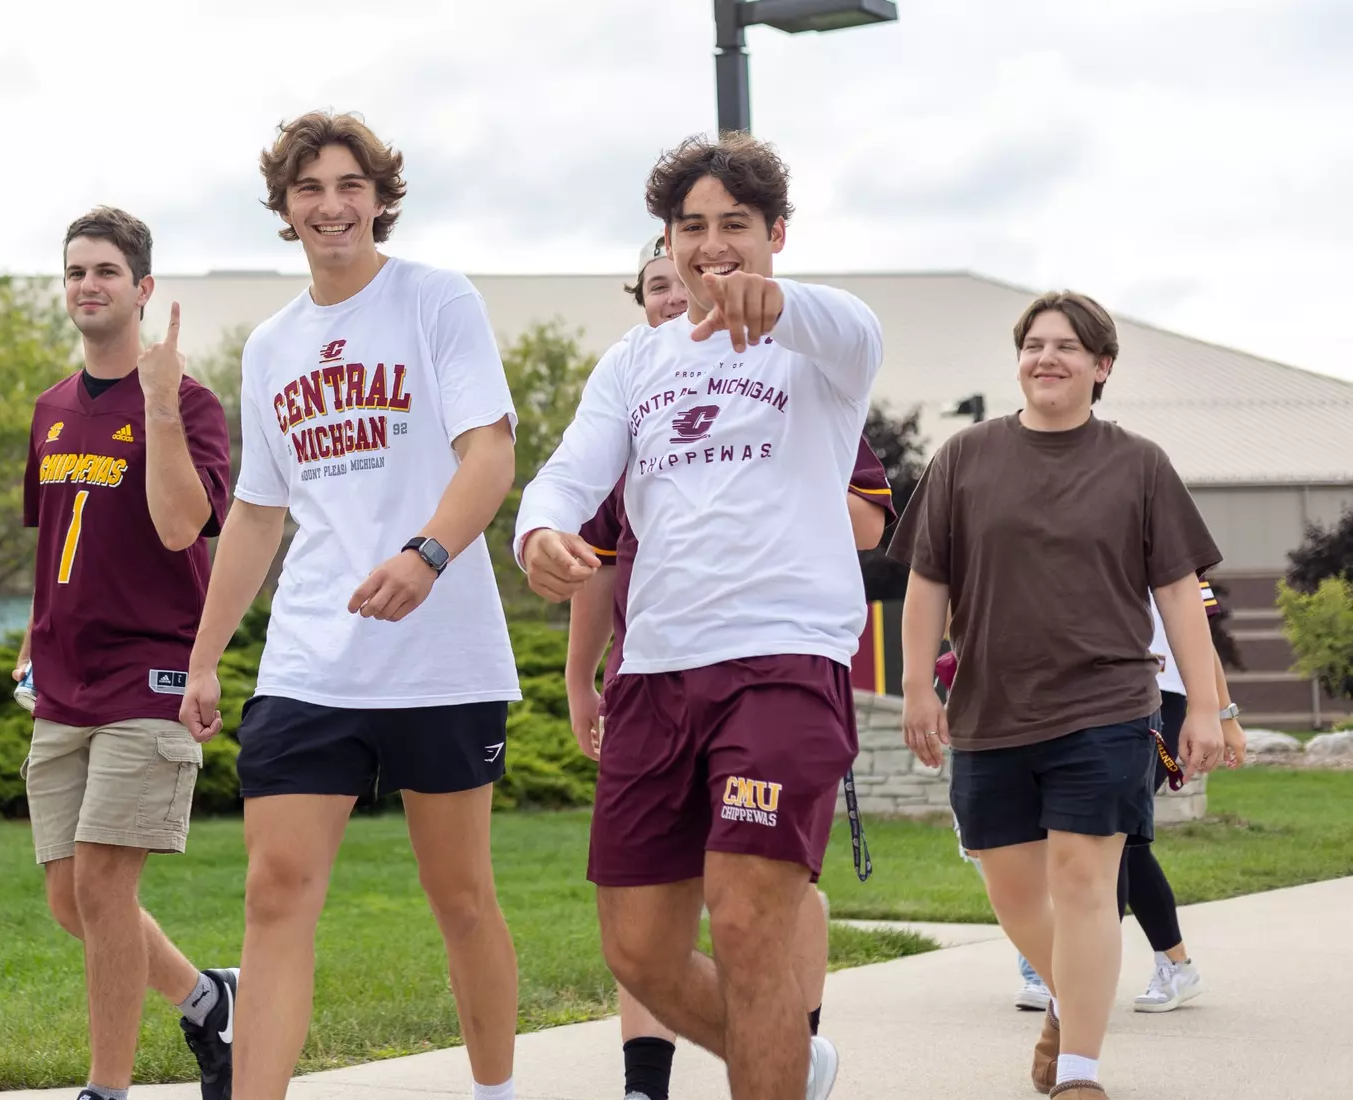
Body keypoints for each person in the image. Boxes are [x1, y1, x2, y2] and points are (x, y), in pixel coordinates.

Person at [517, 131, 883, 1100]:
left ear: (777, 234)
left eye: (736, 226)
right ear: (667, 242)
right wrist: (541, 531)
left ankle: (773, 1072)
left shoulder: (824, 346)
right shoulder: (635, 361)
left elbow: (850, 327)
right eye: (693, 228)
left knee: (750, 916)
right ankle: (789, 1067)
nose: (713, 245)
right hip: (655, 674)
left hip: (781, 664)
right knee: (640, 950)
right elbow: (569, 471)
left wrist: (780, 305)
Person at [177, 112, 522, 1100]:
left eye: (349, 185)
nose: (331, 205)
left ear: (380, 195)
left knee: (458, 894)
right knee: (274, 889)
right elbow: (254, 511)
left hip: (439, 655)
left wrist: (428, 554)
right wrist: (206, 654)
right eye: (309, 189)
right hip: (309, 659)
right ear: (284, 208)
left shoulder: (435, 301)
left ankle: (495, 1089)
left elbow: (489, 451)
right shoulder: (273, 344)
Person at [890, 290, 1223, 1100]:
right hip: (989, 708)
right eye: (1034, 344)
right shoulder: (966, 456)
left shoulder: (1137, 463)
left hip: (1106, 705)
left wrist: (1209, 707)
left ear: (1101, 366)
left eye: (1068, 347)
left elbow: (1179, 592)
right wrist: (914, 687)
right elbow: (927, 581)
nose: (1047, 358)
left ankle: (1079, 1071)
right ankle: (1071, 1002)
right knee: (1011, 893)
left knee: (1082, 878)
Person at [17, 208, 236, 1100]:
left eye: (105, 271)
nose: (87, 286)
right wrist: (33, 649)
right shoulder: (51, 411)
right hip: (62, 685)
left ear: (142, 289)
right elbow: (56, 546)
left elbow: (184, 524)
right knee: (70, 901)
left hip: (151, 677)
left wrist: (156, 403)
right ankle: (210, 1003)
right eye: (74, 272)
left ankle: (106, 1090)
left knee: (106, 888)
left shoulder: (191, 405)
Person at [1126, 584, 1246, 1011]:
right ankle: (1172, 964)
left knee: (1114, 834)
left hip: (1164, 696)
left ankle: (1174, 965)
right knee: (1104, 837)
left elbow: (1201, 638)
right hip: (1090, 692)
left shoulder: (1169, 536)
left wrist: (1223, 717)